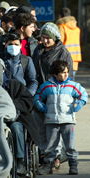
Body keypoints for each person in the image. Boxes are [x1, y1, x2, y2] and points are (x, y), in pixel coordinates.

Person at [34, 60, 88, 175]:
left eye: (67, 72)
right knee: (51, 145)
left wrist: (80, 103)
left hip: (68, 121)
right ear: (55, 74)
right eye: (62, 73)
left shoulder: (73, 86)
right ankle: (48, 165)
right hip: (51, 121)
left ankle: (73, 165)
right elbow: (37, 96)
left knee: (70, 145)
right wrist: (40, 105)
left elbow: (83, 94)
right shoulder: (47, 86)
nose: (65, 75)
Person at [32, 22, 73, 168]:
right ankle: (45, 155)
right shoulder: (38, 50)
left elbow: (68, 76)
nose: (45, 40)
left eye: (48, 38)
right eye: (42, 37)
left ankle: (56, 156)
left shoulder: (63, 53)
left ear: (55, 37)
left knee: (55, 128)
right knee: (41, 128)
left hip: (57, 95)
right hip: (40, 94)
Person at [0, 59, 40, 175]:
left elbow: (27, 102)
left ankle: (20, 161)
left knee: (16, 127)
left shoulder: (14, 84)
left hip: (15, 119)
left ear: (3, 69)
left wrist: (11, 104)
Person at [56, 7, 81, 81]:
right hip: (75, 58)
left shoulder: (62, 27)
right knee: (71, 81)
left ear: (60, 16)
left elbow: (58, 42)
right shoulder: (76, 28)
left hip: (64, 57)